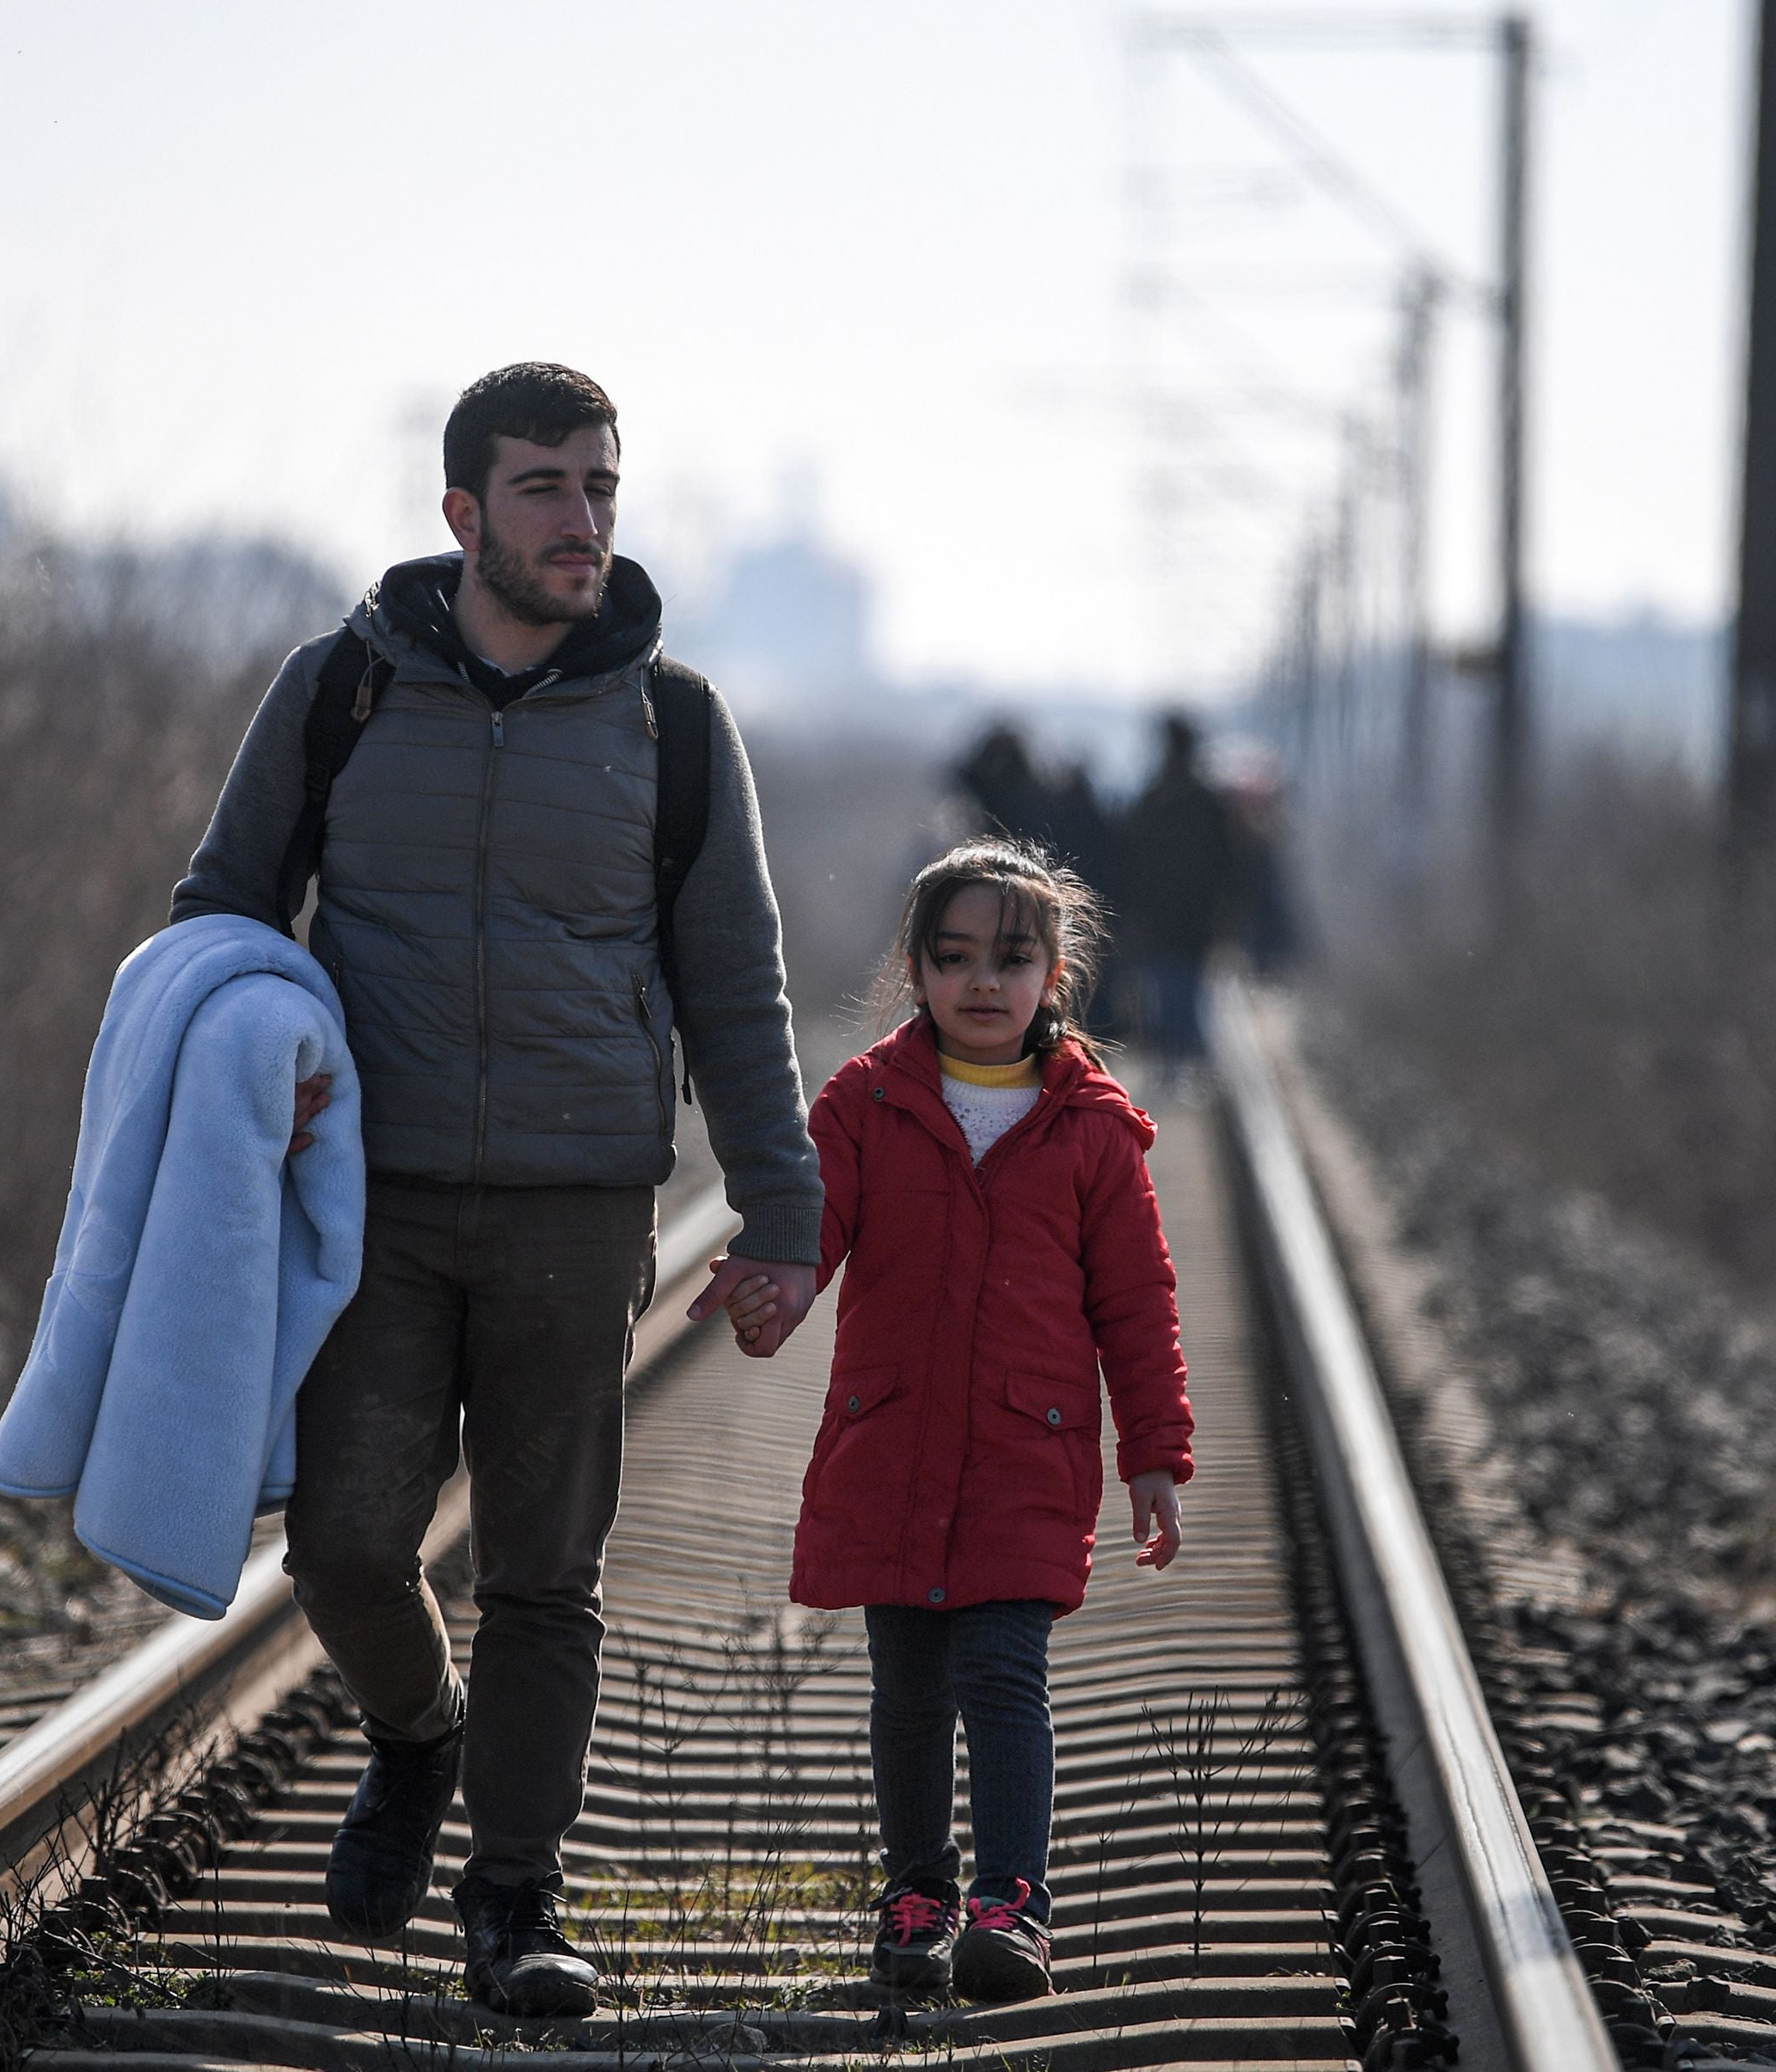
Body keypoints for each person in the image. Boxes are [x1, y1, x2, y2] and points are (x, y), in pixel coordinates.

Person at [169, 364, 825, 2018]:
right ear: (461, 512)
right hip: (368, 1202)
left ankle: (516, 1898)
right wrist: (247, 1073)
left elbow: (735, 985)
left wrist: (784, 1209)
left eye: (599, 485)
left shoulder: (672, 725)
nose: (581, 518)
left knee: (544, 1570)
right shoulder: (341, 693)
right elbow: (222, 917)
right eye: (543, 487)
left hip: (574, 1203)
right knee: (340, 1541)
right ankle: (415, 1733)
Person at [720, 838, 1196, 2003]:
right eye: (956, 957)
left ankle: (1012, 1901)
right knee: (908, 1690)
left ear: (1054, 974)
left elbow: (1137, 1304)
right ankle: (918, 1890)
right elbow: (811, 1225)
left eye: (1012, 958)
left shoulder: (1092, 1130)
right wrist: (774, 1287)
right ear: (918, 970)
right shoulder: (866, 1103)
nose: (984, 981)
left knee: (1003, 1675)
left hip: (1026, 1457)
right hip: (892, 1445)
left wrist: (1155, 1456)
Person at [1112, 711, 1249, 1067]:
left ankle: (1178, 1063)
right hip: (1184, 920)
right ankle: (1181, 1064)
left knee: (1174, 991)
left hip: (1175, 920)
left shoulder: (1157, 799)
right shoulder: (1204, 802)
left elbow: (1130, 861)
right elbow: (1232, 867)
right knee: (1178, 991)